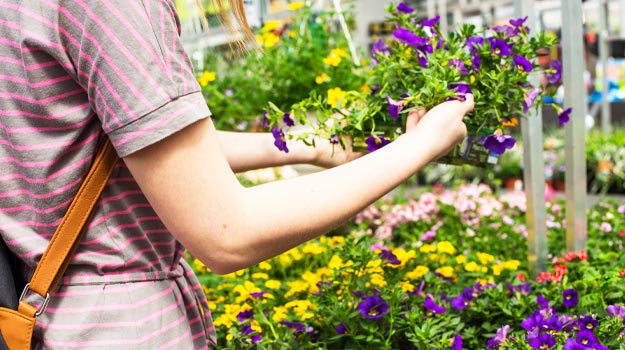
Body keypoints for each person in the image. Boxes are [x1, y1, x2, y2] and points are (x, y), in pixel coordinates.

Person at [0, 0, 472, 348]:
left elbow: (144, 145)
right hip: (124, 326)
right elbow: (227, 231)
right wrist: (420, 146)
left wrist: (307, 146)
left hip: (55, 313)